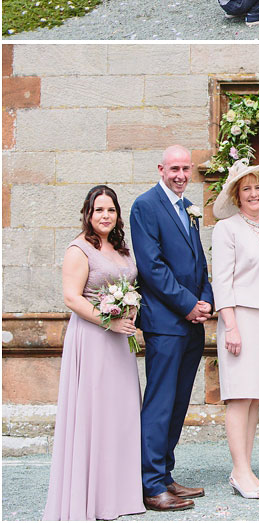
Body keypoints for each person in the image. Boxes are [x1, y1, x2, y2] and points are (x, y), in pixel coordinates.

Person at [43, 185, 144, 522]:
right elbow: (72, 297)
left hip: (121, 343)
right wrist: (109, 321)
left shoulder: (121, 249)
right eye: (99, 210)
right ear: (88, 213)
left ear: (117, 215)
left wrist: (129, 314)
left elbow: (130, 289)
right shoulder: (79, 249)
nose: (105, 216)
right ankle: (90, 499)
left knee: (121, 415)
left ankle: (119, 496)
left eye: (111, 210)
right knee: (94, 413)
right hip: (93, 339)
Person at [130, 147, 213, 513]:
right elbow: (152, 267)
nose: (180, 173)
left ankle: (165, 475)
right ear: (161, 168)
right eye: (173, 168)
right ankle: (150, 485)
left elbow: (199, 262)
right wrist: (188, 304)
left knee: (179, 403)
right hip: (165, 323)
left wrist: (206, 300)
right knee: (160, 404)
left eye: (185, 168)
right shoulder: (145, 206)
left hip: (192, 324)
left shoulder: (189, 207)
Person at [210, 160, 259, 499]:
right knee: (239, 396)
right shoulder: (227, 228)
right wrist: (230, 326)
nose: (254, 193)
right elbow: (222, 282)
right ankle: (240, 472)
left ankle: (245, 469)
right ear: (237, 195)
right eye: (247, 189)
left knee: (257, 396)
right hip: (241, 317)